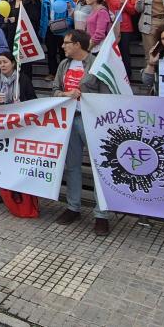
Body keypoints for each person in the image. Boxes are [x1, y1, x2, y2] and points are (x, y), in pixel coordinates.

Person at [52, 30, 111, 234]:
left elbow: (107, 96)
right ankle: (73, 207)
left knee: (99, 168)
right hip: (69, 120)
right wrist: (65, 94)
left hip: (92, 122)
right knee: (73, 166)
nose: (63, 46)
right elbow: (54, 91)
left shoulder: (97, 65)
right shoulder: (63, 65)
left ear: (78, 44)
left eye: (66, 43)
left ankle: (101, 214)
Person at [39, 0, 74, 82]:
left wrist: (68, 23)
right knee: (51, 53)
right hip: (49, 28)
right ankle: (52, 73)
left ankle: (64, 74)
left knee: (64, 52)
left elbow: (72, 11)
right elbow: (43, 14)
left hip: (63, 29)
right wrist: (42, 29)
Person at [103, 0, 137, 76]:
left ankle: (127, 75)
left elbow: (133, 11)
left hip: (125, 27)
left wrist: (124, 4)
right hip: (112, 26)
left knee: (124, 52)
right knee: (113, 52)